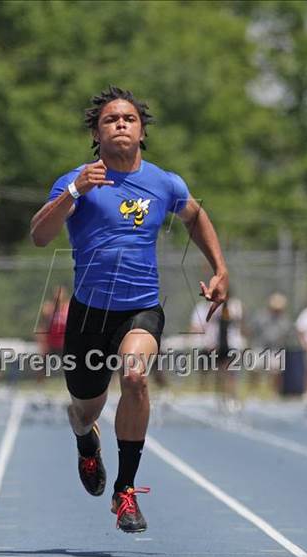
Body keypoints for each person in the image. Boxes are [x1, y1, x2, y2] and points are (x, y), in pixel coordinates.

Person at [30, 86, 229, 533]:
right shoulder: (76, 180)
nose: (120, 123)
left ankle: (125, 490)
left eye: (129, 119)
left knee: (136, 376)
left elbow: (195, 216)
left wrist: (219, 268)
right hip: (89, 314)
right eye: (110, 120)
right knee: (85, 409)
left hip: (140, 308)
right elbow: (40, 235)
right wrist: (74, 192)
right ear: (97, 135)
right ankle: (86, 442)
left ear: (141, 132)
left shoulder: (165, 183)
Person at [248, 293, 292, 395]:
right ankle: (253, 392)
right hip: (260, 346)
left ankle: (273, 393)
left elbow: (286, 333)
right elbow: (252, 329)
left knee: (275, 373)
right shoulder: (261, 316)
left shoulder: (284, 320)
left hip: (275, 349)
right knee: (255, 370)